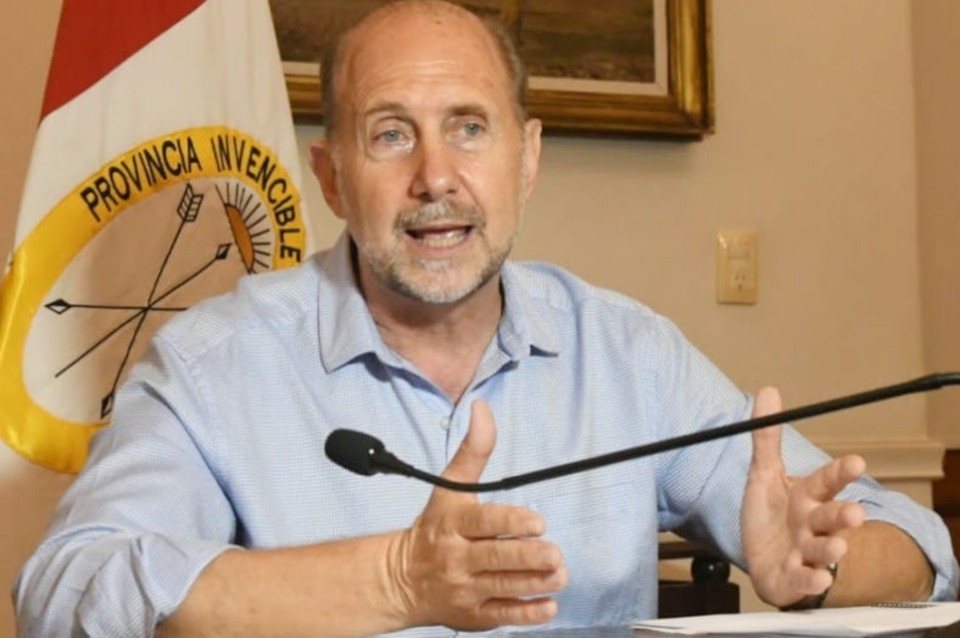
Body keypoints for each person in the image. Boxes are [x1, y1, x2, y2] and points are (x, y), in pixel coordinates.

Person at [14, 1, 958, 636]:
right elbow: (65, 593)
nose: (436, 177)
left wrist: (825, 566)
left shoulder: (626, 353)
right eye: (391, 133)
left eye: (469, 127)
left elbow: (925, 548)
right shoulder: (212, 365)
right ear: (332, 177)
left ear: (527, 159)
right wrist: (396, 579)